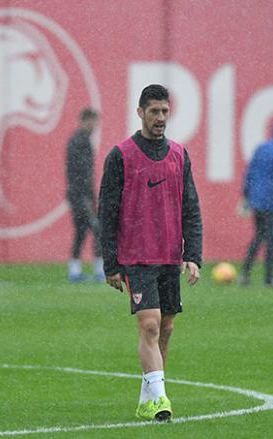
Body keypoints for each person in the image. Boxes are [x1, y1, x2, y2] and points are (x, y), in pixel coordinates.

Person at [98, 84, 202, 421]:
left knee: (167, 328)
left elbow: (191, 208)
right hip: (136, 256)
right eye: (154, 111)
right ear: (140, 112)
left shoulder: (178, 155)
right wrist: (111, 263)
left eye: (165, 112)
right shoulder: (121, 155)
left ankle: (148, 396)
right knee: (151, 326)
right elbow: (107, 212)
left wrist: (194, 255)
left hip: (170, 256)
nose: (160, 118)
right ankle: (160, 399)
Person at [239, 118, 273, 288]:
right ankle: (269, 278)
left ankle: (245, 273)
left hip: (257, 199)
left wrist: (246, 195)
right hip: (272, 202)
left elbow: (249, 173)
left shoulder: (262, 148)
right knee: (271, 240)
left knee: (258, 236)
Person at [65, 108, 105, 282]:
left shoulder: (81, 140)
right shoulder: (79, 141)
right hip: (80, 194)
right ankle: (99, 270)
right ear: (83, 121)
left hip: (79, 193)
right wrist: (85, 196)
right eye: (91, 121)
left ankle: (75, 270)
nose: (94, 125)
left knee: (81, 231)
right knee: (97, 229)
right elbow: (79, 172)